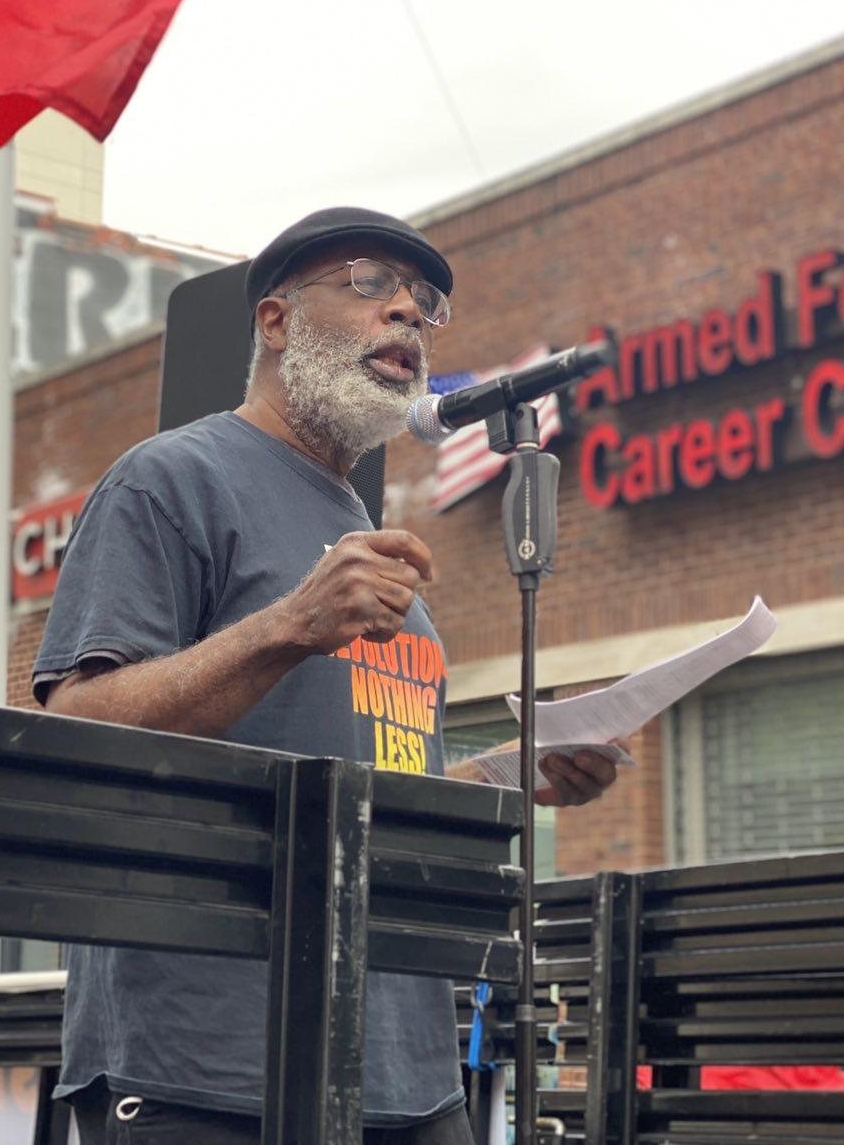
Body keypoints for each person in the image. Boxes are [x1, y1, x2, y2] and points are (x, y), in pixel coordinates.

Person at [33, 207, 622, 1144]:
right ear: (274, 322)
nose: (406, 314)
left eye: (422, 303)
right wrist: (288, 627)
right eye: (367, 284)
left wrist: (512, 773)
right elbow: (76, 730)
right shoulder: (171, 480)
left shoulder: (361, 529)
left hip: (407, 1066)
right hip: (215, 1063)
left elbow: (372, 788)